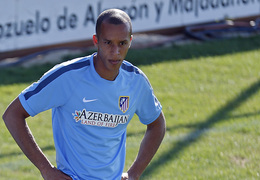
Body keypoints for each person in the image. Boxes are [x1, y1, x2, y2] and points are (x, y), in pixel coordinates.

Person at [2, 9, 166, 180]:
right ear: (96, 41)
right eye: (108, 43)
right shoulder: (67, 76)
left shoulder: (136, 81)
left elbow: (157, 124)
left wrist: (134, 173)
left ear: (130, 41)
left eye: (122, 43)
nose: (115, 51)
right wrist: (46, 169)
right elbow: (13, 114)